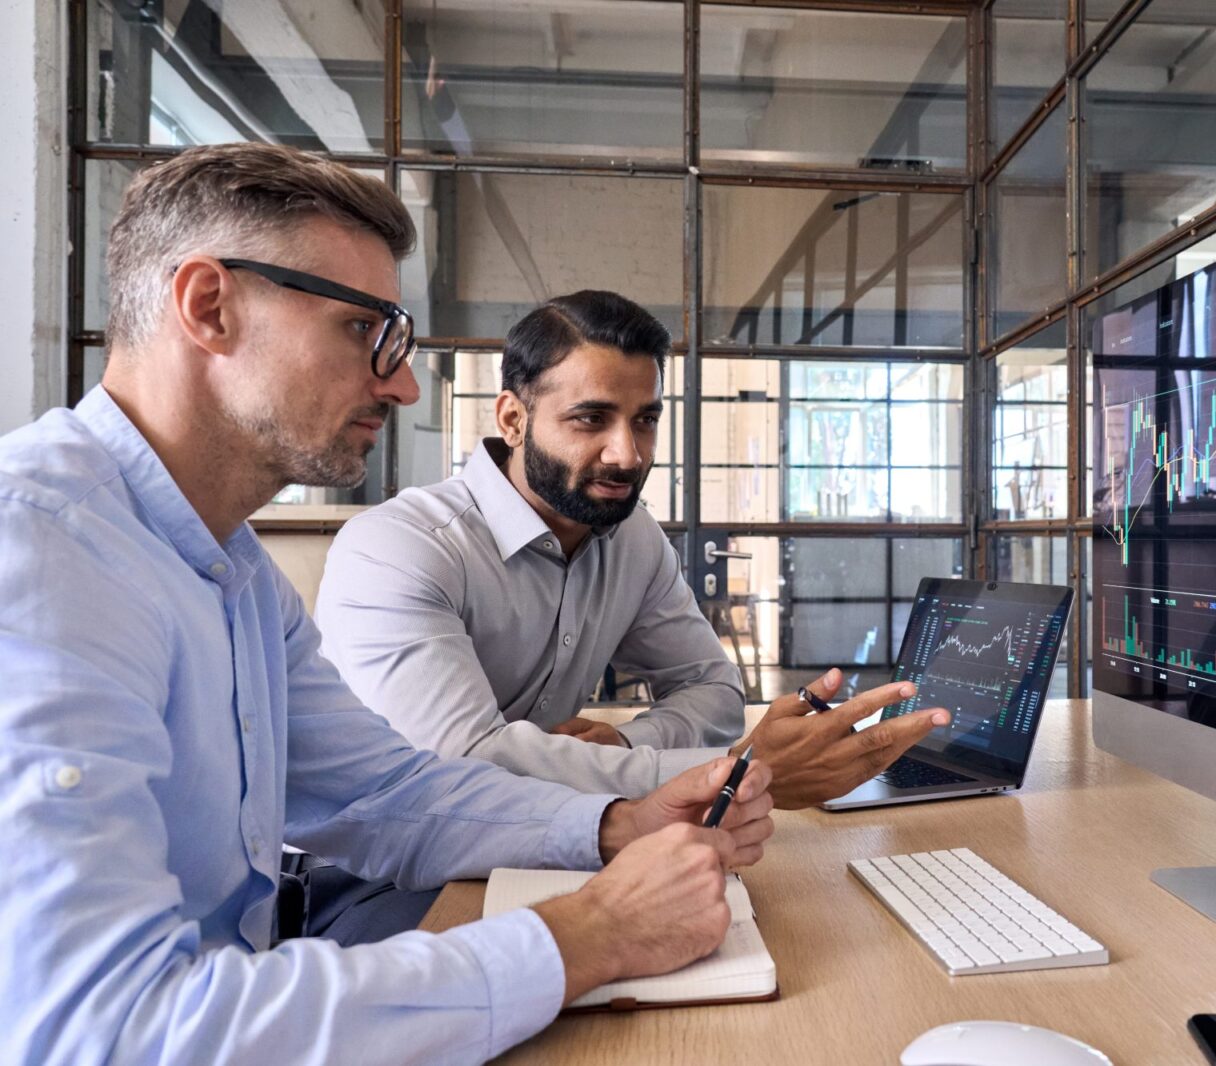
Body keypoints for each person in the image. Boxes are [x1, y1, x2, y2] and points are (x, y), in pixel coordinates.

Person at [0, 142, 774, 1064]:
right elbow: (109, 1029)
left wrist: (614, 824)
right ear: (210, 307)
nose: (402, 385)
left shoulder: (233, 570)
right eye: (365, 331)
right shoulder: (41, 554)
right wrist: (591, 935)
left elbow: (385, 792)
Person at [316, 292, 952, 806]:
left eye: (644, 419)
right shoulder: (400, 549)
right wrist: (733, 770)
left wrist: (626, 748)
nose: (629, 454)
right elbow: (462, 766)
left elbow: (713, 690)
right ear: (512, 419)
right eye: (590, 419)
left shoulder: (632, 536)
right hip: (374, 874)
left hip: (541, 841)